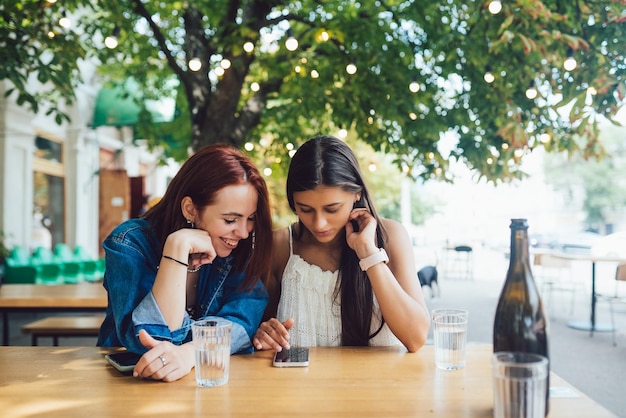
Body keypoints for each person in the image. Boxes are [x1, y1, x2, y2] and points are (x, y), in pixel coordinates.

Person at [98, 144, 272, 382]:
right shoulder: (129, 244)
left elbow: (243, 321)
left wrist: (189, 354)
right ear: (191, 209)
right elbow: (150, 339)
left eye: (250, 219)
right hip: (131, 385)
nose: (243, 232)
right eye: (230, 219)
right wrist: (176, 249)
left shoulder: (238, 249)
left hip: (205, 383)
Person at [253, 135, 430, 353]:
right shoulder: (279, 245)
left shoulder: (391, 236)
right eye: (305, 209)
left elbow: (416, 337)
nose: (319, 223)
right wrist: (264, 334)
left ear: (357, 193)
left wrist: (368, 253)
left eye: (332, 208)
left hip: (381, 386)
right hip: (303, 386)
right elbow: (261, 335)